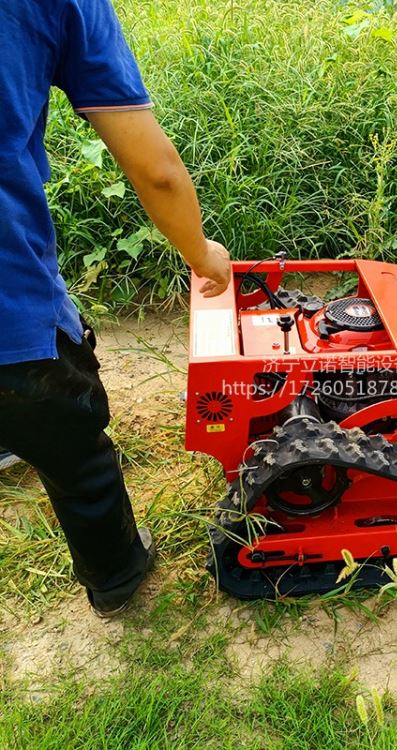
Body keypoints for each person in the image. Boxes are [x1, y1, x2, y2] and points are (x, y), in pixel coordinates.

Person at [0, 0, 232, 616]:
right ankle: (117, 575)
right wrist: (202, 253)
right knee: (72, 440)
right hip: (7, 304)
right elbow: (154, 170)